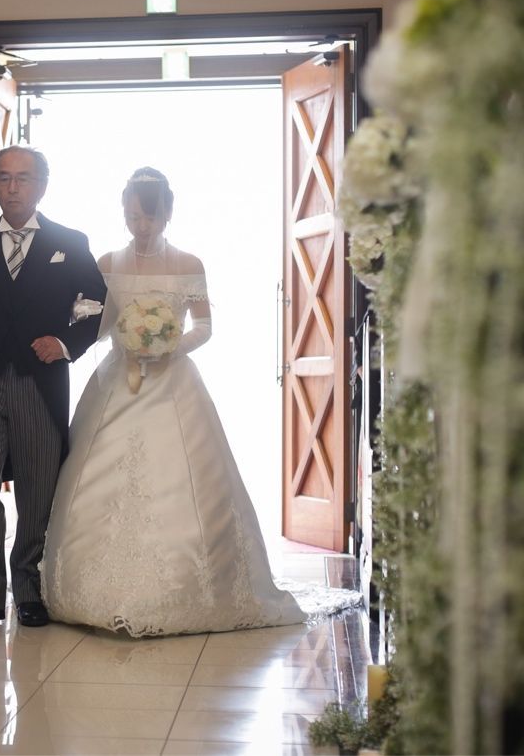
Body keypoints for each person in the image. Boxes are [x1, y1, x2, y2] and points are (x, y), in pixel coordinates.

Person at [40, 167, 348, 637]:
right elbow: (101, 326)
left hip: (173, 383)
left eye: (147, 217)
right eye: (132, 217)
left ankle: (188, 589)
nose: (140, 226)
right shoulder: (107, 263)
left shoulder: (189, 264)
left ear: (167, 213)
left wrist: (167, 345)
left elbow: (204, 326)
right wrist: (85, 331)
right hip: (117, 382)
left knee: (181, 476)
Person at [0, 145, 107, 628]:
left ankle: (30, 589)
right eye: (3, 178)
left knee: (37, 489)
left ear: (42, 186)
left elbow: (98, 306)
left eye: (23, 179)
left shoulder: (69, 241)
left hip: (40, 384)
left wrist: (66, 343)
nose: (12, 188)